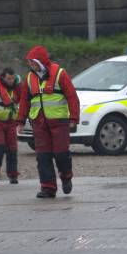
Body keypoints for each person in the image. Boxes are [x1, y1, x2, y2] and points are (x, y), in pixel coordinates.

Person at [17, 45, 80, 198]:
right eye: (30, 62)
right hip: (39, 123)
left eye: (34, 62)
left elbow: (72, 96)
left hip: (59, 121)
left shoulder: (60, 74)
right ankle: (48, 188)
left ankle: (66, 177)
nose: (31, 65)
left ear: (42, 62)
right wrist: (20, 121)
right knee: (42, 156)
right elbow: (24, 100)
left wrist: (73, 118)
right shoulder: (29, 78)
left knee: (61, 154)